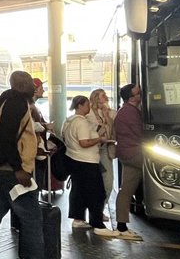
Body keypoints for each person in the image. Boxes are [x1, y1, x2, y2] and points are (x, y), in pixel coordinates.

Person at [0, 71, 66, 259]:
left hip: (0, 169)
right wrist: (19, 169)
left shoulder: (4, 101)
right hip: (12, 172)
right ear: (19, 84)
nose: (33, 86)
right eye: (28, 82)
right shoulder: (16, 103)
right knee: (32, 219)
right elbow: (7, 138)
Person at [62, 95, 107, 232]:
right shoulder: (81, 122)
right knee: (96, 192)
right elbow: (84, 142)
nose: (89, 107)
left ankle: (78, 219)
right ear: (80, 106)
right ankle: (97, 222)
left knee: (78, 191)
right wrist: (99, 139)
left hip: (73, 159)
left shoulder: (68, 121)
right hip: (87, 162)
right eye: (87, 105)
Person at [110, 84, 145, 240]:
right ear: (132, 98)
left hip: (126, 154)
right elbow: (140, 133)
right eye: (138, 93)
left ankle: (122, 226)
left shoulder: (124, 111)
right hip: (135, 153)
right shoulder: (131, 113)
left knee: (126, 189)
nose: (141, 95)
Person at [88, 87, 116, 215]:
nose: (106, 97)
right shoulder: (88, 113)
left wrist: (107, 116)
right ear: (96, 98)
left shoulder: (110, 112)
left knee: (108, 181)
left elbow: (113, 129)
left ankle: (100, 209)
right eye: (103, 95)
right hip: (91, 149)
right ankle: (94, 210)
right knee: (93, 181)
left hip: (105, 148)